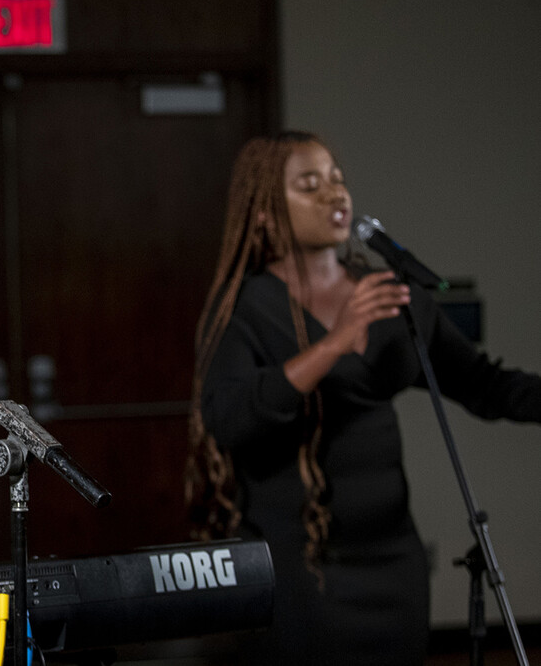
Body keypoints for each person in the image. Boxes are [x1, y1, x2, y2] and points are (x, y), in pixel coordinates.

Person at [185, 131, 541, 665]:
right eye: (310, 185)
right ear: (263, 213)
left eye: (337, 180)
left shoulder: (387, 293)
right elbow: (229, 419)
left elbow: (485, 385)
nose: (334, 195)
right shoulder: (245, 307)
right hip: (300, 561)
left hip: (393, 560)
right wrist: (332, 345)